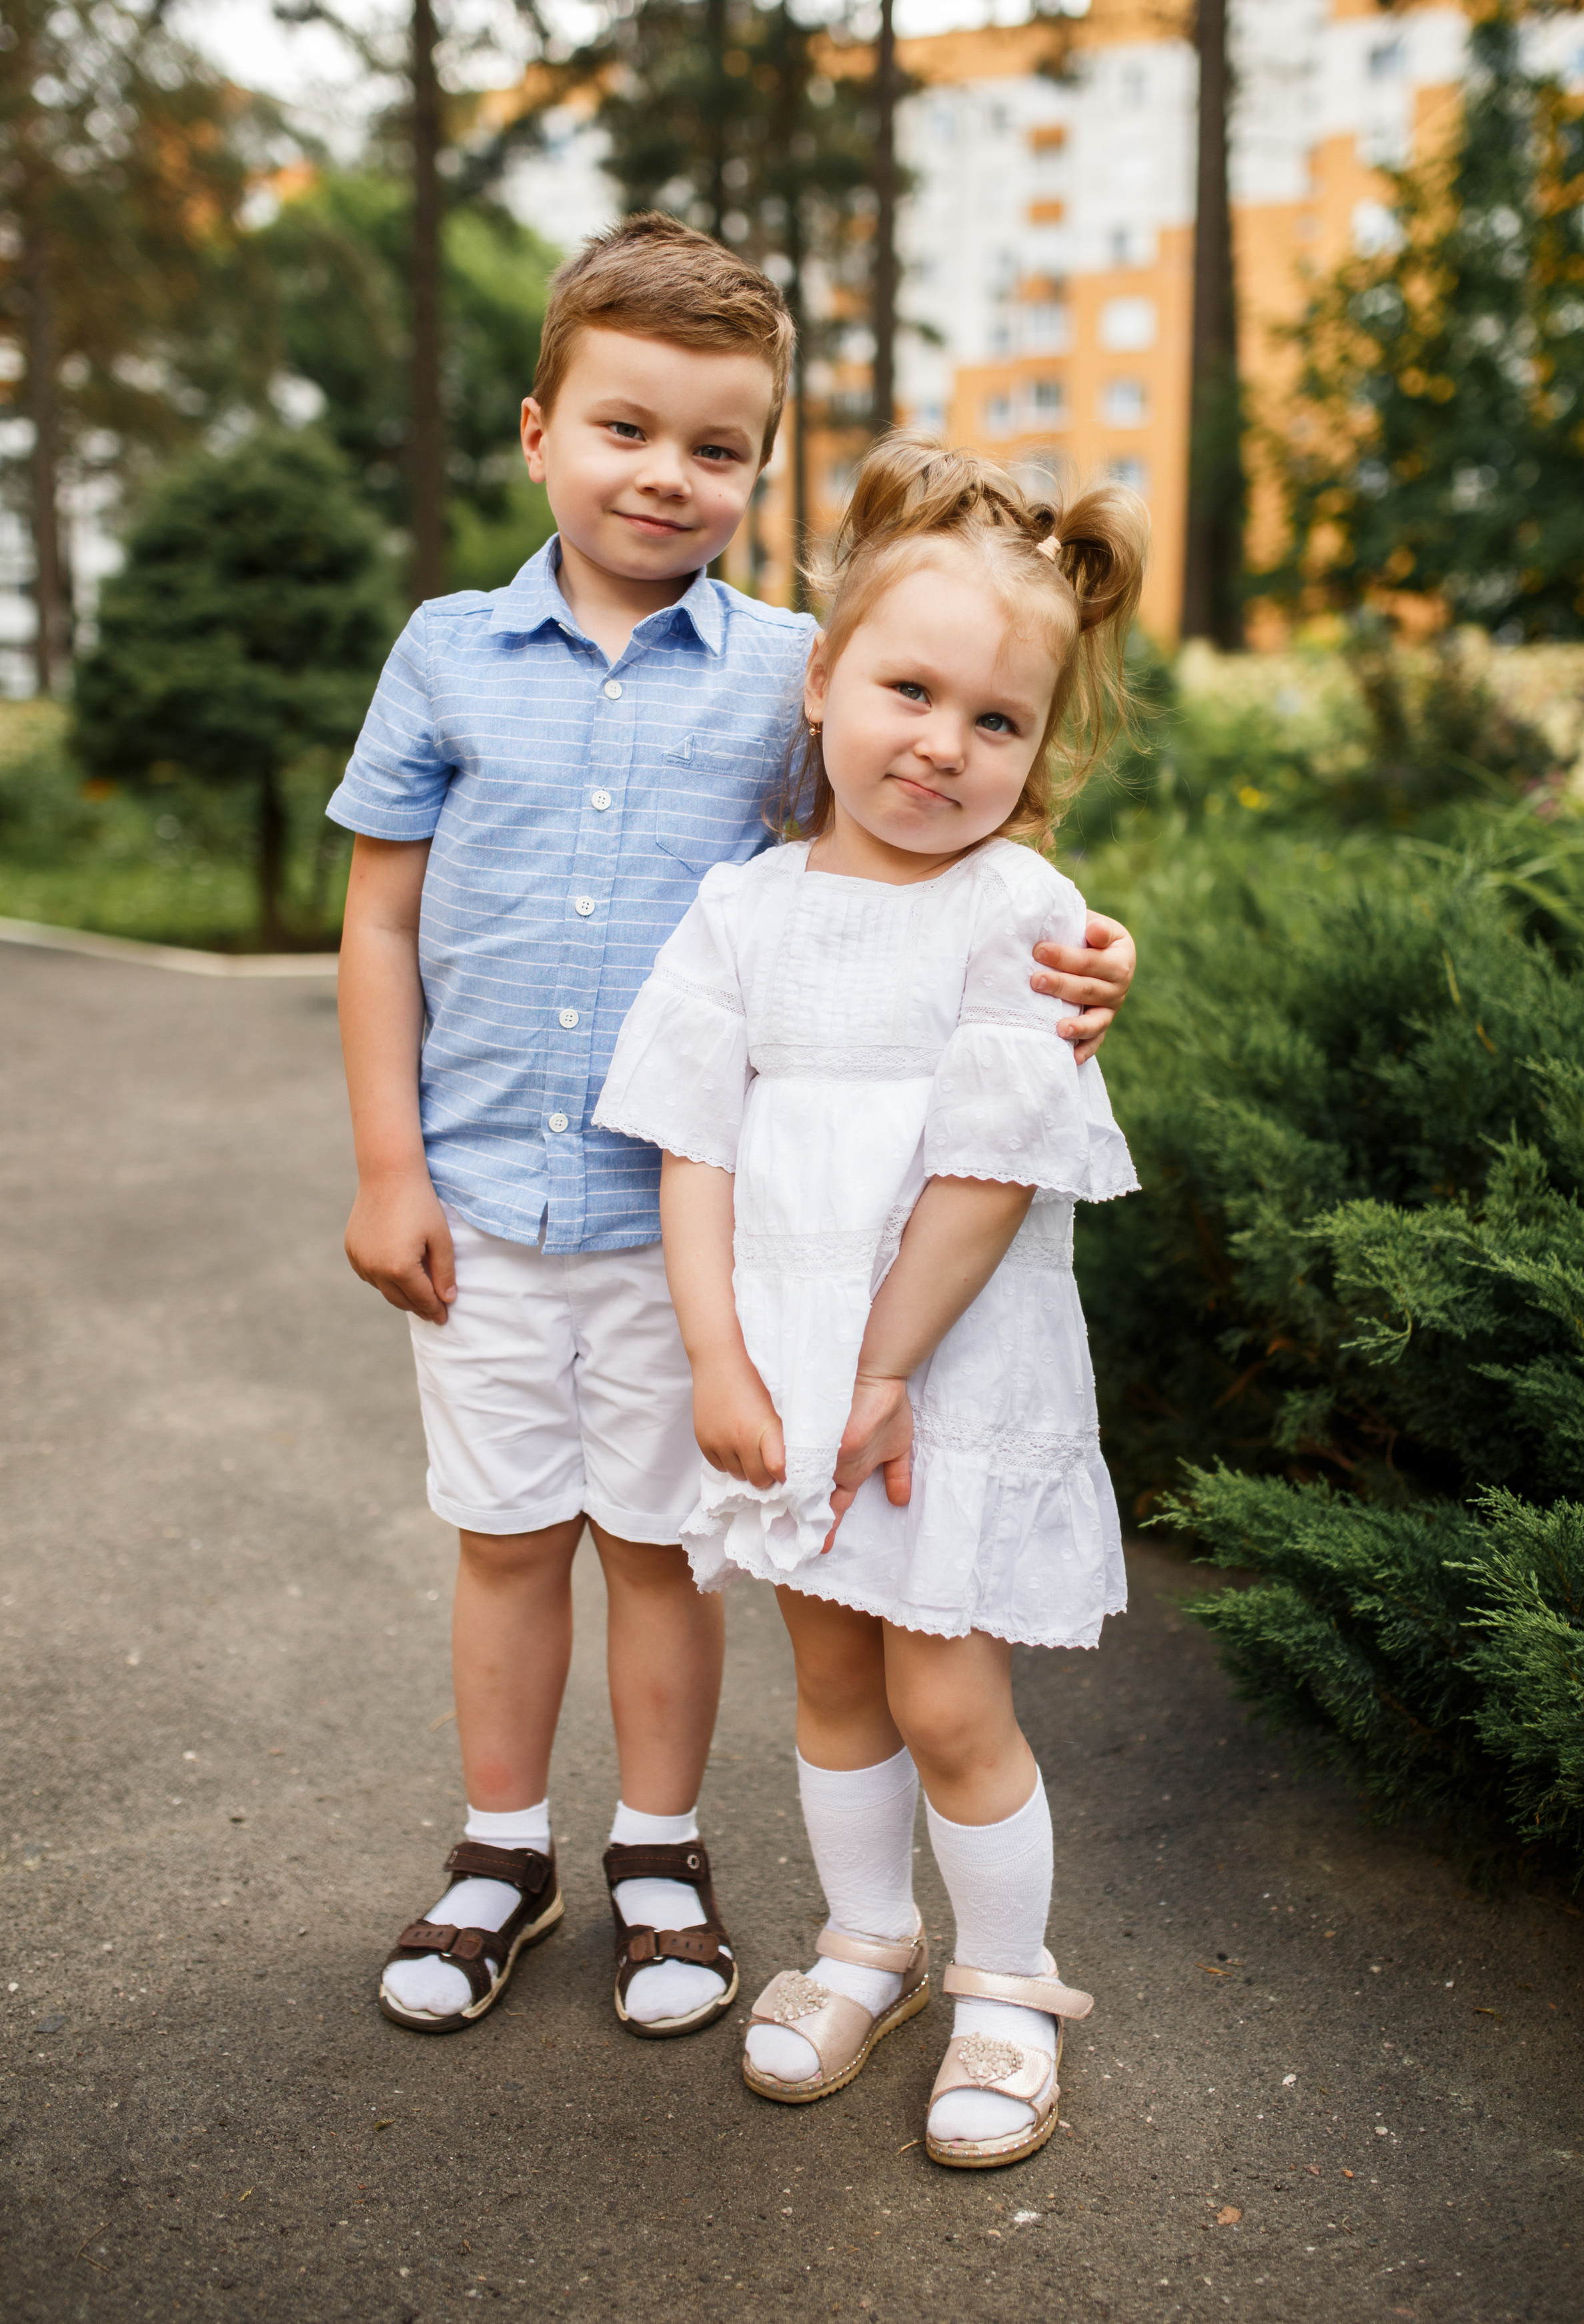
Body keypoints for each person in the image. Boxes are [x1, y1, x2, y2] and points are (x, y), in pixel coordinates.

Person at [327, 216, 1140, 2040]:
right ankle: (500, 1844)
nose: (667, 475)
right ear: (539, 429)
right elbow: (381, 918)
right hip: (484, 1200)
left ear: (761, 469)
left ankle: (666, 1851)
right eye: (626, 429)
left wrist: (1093, 953)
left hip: (704, 1239)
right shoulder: (449, 658)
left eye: (717, 447)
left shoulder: (807, 661)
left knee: (663, 1546)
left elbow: (939, 848)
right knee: (508, 1529)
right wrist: (387, 1162)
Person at [594, 432, 1145, 2164]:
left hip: (941, 1380)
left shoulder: (1022, 911)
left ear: (1040, 750)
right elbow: (692, 1143)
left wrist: (888, 1369)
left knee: (948, 1696)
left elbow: (988, 1172)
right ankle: (869, 1944)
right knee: (831, 1682)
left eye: (999, 721)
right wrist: (717, 1356)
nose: (945, 744)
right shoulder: (742, 910)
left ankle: (1006, 1979)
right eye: (911, 689)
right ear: (824, 677)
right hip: (787, 1375)